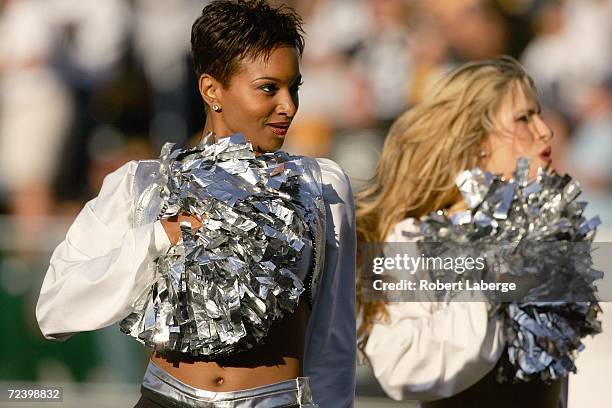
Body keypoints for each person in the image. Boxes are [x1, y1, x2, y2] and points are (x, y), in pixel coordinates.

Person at [35, 1, 356, 407]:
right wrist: (156, 237)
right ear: (211, 90)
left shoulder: (321, 184)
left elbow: (333, 336)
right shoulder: (142, 184)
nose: (288, 106)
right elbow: (55, 307)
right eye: (268, 88)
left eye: (294, 87)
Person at [356, 56, 561, 407]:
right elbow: (401, 369)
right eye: (524, 118)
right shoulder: (413, 239)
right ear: (477, 140)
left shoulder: (543, 230)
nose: (545, 130)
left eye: (538, 114)